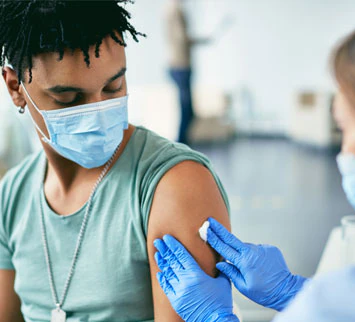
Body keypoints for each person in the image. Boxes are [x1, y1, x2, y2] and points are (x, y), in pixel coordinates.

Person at [154, 10, 355, 322]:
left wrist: (212, 317)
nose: (345, 149)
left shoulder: (331, 306)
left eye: (345, 128)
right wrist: (290, 290)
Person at [0, 1, 231, 321]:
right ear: (15, 88)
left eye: (114, 86)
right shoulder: (12, 195)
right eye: (69, 99)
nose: (98, 111)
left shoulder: (173, 185)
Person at [164, 0, 212, 144]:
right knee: (187, 111)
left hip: (179, 65)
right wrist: (202, 40)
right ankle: (181, 145)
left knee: (188, 110)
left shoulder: (172, 10)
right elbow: (182, 38)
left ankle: (183, 144)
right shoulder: (175, 11)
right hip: (180, 66)